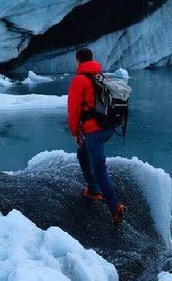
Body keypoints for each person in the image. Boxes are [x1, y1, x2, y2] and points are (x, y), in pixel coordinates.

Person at [67, 47, 126, 225]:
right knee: (82, 153)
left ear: (78, 61)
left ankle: (114, 207)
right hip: (106, 128)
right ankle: (92, 189)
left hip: (94, 132)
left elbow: (73, 110)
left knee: (99, 168)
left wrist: (75, 131)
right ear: (91, 59)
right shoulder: (100, 77)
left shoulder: (79, 80)